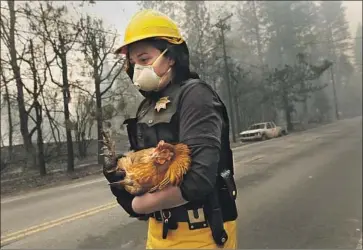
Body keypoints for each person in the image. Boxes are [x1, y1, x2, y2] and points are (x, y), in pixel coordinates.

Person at [103, 9, 238, 249]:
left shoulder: (196, 96)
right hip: (158, 232)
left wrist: (135, 206)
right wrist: (121, 177)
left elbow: (198, 181)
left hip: (201, 231)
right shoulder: (147, 106)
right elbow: (147, 174)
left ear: (171, 56)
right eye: (133, 63)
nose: (137, 68)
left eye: (144, 59)